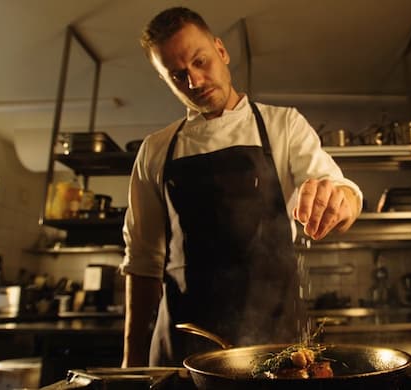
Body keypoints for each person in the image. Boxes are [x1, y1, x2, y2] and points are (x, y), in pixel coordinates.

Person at [120, 6, 362, 367]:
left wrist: (339, 200)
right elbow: (143, 262)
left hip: (275, 348)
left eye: (201, 62)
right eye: (177, 75)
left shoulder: (283, 125)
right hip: (184, 346)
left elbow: (340, 190)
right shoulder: (155, 149)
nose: (195, 82)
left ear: (221, 50)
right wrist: (131, 360)